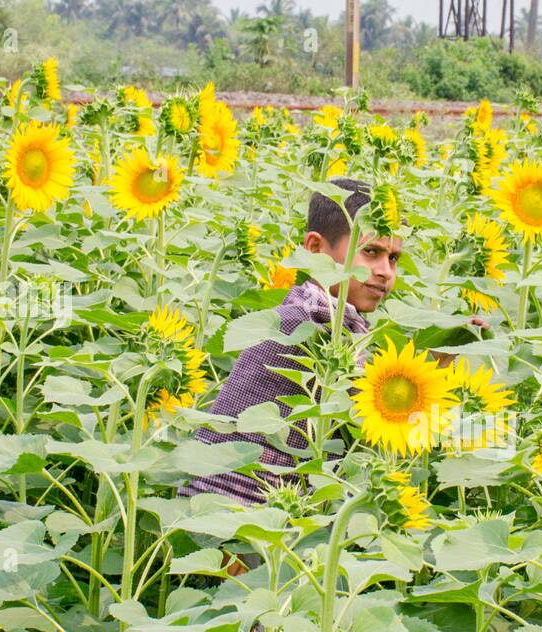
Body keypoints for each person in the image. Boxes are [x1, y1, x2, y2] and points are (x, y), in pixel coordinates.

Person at [177, 178, 484, 573]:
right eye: (370, 252)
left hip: (270, 514)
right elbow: (377, 411)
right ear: (315, 250)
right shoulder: (307, 324)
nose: (384, 272)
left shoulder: (338, 323)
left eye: (394, 259)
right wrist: (437, 365)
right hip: (240, 522)